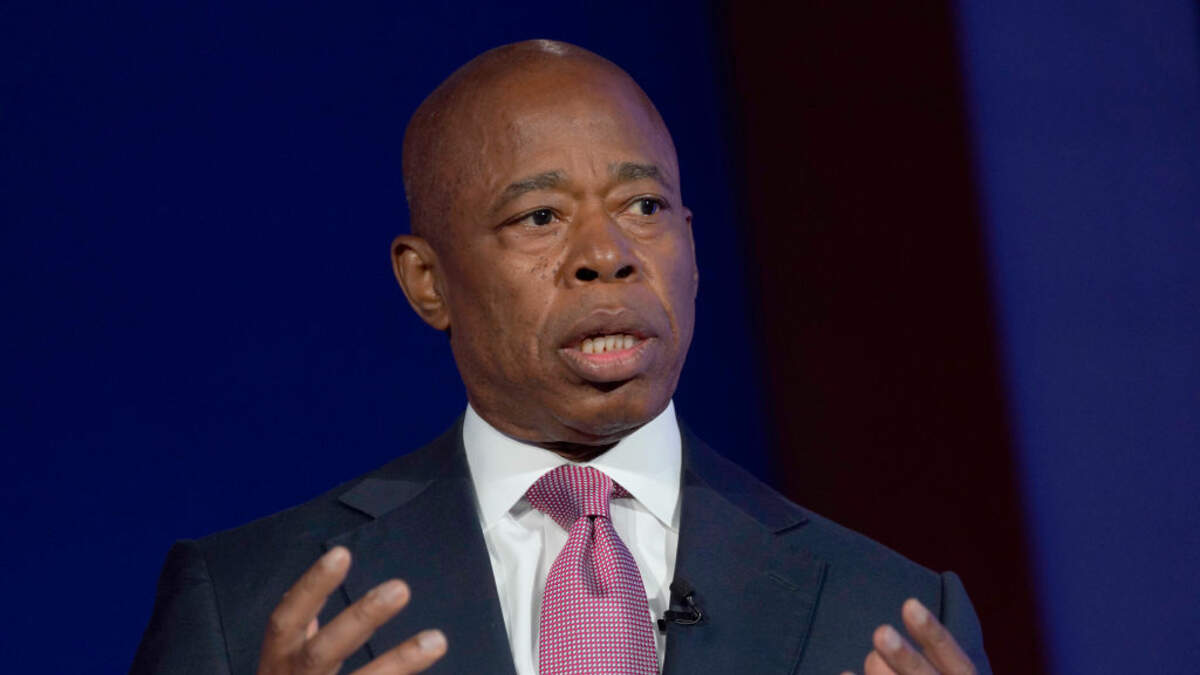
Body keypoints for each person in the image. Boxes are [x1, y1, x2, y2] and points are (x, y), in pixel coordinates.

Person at [131, 40, 992, 675]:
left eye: (644, 206)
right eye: (540, 217)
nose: (608, 255)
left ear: (693, 248)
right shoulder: (242, 603)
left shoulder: (889, 613)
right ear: (428, 281)